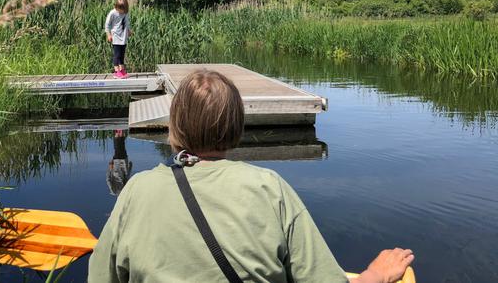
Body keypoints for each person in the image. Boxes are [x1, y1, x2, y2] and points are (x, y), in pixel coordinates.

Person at [88, 70, 414, 283]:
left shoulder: (137, 191)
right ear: (236, 127)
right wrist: (375, 274)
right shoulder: (269, 189)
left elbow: (101, 278)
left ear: (175, 126)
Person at [105, 0, 132, 79]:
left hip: (123, 36)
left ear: (125, 8)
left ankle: (122, 69)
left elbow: (127, 23)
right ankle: (116, 71)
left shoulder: (126, 13)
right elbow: (107, 25)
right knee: (117, 55)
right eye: (118, 8)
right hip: (116, 36)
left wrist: (129, 30)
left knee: (122, 55)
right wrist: (108, 34)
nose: (119, 11)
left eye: (121, 9)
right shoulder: (113, 13)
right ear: (116, 6)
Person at [107, 129, 133, 196]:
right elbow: (127, 178)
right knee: (121, 148)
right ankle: (119, 131)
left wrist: (110, 168)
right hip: (123, 165)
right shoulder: (125, 192)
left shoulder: (114, 192)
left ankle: (119, 131)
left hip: (118, 166)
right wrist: (130, 167)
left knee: (118, 148)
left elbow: (108, 180)